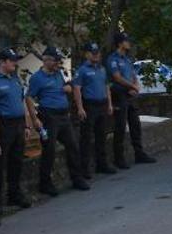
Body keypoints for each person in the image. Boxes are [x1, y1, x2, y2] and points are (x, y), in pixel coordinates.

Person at [28, 47, 89, 195]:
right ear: (46, 60)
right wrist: (34, 119)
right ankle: (45, 183)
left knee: (73, 145)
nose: (58, 63)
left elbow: (66, 86)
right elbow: (29, 98)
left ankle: (77, 178)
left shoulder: (59, 73)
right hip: (49, 117)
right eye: (56, 60)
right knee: (49, 150)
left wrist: (67, 87)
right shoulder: (37, 78)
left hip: (63, 116)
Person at [0, 48, 32, 215]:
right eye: (12, 60)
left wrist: (27, 125)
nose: (15, 63)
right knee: (0, 164)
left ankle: (14, 194)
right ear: (3, 62)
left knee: (17, 161)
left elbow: (22, 103)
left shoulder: (15, 80)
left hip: (18, 124)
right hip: (3, 124)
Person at [107, 33, 156, 169]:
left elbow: (133, 75)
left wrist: (136, 86)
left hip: (130, 95)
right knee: (120, 126)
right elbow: (117, 77)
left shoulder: (127, 59)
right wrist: (132, 86)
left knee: (135, 125)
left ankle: (139, 153)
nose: (128, 43)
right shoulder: (113, 59)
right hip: (120, 94)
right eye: (126, 41)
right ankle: (119, 158)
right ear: (120, 43)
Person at [73, 42, 116, 178]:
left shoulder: (102, 69)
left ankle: (102, 165)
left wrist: (109, 104)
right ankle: (84, 169)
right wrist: (80, 108)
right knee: (86, 138)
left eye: (97, 53)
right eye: (93, 53)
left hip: (102, 105)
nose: (96, 55)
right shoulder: (82, 70)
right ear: (87, 54)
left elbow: (106, 87)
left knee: (101, 136)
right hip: (89, 106)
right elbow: (77, 89)